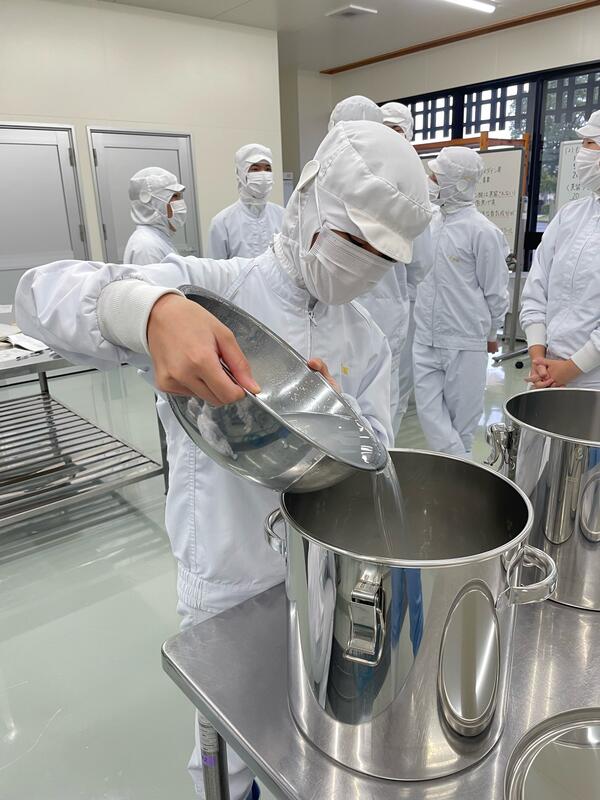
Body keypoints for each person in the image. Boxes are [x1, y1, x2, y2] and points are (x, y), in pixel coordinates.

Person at [16, 120, 431, 800]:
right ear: (310, 204)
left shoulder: (365, 336)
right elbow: (39, 295)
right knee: (229, 746)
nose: (362, 263)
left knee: (307, 735)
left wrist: (339, 423)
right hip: (229, 570)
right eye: (352, 239)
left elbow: (375, 447)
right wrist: (150, 312)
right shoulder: (213, 290)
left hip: (322, 574)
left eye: (381, 256)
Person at [413, 147, 509, 457]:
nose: (430, 181)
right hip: (425, 337)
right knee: (429, 414)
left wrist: (492, 333)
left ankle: (456, 474)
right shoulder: (429, 223)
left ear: (459, 182)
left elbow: (496, 292)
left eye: (436, 176)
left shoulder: (483, 232)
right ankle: (458, 465)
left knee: (463, 425)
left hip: (465, 340)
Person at [521, 109, 600, 390]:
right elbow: (537, 285)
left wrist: (571, 368)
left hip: (592, 379)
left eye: (589, 143)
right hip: (546, 368)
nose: (582, 153)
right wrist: (537, 354)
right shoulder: (570, 214)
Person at [381, 102, 433, 432]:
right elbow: (422, 262)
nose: (390, 136)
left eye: (396, 130)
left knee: (388, 393)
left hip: (394, 307)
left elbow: (421, 262)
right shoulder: (412, 183)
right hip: (389, 305)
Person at [208, 144, 284, 259]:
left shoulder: (282, 216)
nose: (263, 174)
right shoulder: (222, 223)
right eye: (255, 169)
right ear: (241, 174)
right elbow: (215, 267)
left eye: (268, 169)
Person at [123, 167, 186, 265]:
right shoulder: (146, 247)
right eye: (174, 196)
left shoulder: (157, 238)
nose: (180, 203)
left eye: (180, 196)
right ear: (153, 203)